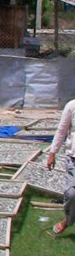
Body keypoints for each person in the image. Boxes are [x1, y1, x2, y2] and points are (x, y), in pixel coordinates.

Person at [45, 97, 75, 236]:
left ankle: (67, 221)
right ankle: (68, 220)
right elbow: (62, 130)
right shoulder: (71, 106)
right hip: (73, 158)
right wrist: (52, 153)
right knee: (71, 193)